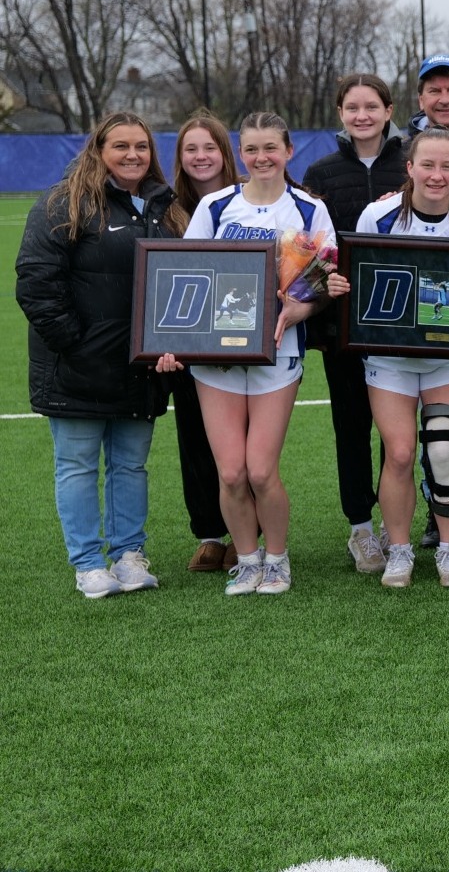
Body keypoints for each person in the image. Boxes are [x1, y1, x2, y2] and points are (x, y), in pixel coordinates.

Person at [163, 113, 339, 596]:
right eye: (252, 149)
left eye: (271, 148)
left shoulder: (308, 210)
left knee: (261, 470)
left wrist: (297, 312)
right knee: (232, 471)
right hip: (216, 359)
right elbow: (184, 275)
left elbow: (323, 279)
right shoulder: (217, 207)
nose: (262, 158)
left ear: (289, 151)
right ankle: (246, 559)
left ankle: (277, 559)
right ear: (241, 155)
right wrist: (170, 341)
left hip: (277, 355)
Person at [16, 112, 176, 598]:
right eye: (121, 146)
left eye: (142, 147)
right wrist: (76, 345)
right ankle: (87, 562)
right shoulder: (64, 202)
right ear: (97, 149)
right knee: (78, 465)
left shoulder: (160, 207)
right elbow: (37, 284)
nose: (132, 155)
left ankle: (129, 554)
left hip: (139, 369)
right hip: (76, 368)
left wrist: (169, 344)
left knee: (131, 465)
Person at [333, 131, 449, 587]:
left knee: (444, 453)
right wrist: (344, 286)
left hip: (448, 356)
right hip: (392, 356)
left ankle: (448, 549)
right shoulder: (378, 215)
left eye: (446, 166)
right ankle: (399, 550)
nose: (437, 175)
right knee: (398, 454)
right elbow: (359, 277)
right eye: (428, 166)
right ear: (410, 168)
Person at [302, 73, 409, 571]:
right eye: (352, 107)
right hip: (342, 328)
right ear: (340, 114)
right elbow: (309, 250)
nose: (362, 115)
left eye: (371, 106)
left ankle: (395, 523)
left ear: (389, 111)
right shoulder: (320, 173)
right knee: (351, 426)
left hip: (401, 326)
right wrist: (325, 291)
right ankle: (360, 528)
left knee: (398, 432)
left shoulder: (410, 163)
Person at [166, 113, 236, 572]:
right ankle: (210, 534)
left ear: (224, 154)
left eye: (209, 148)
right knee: (194, 437)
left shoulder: (251, 197)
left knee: (245, 449)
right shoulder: (162, 207)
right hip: (188, 345)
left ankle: (248, 532)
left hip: (242, 342)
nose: (200, 157)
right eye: (191, 149)